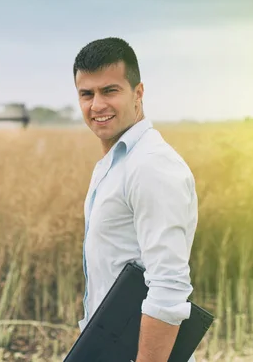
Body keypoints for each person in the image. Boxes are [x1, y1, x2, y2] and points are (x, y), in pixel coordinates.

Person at [73, 37, 199, 362]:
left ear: (138, 93)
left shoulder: (151, 165)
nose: (96, 105)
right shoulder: (114, 164)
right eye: (87, 94)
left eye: (110, 91)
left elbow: (169, 288)